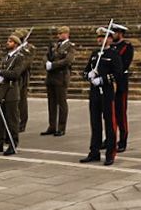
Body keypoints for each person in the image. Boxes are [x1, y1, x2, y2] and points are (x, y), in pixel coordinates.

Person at [81, 26, 121, 165]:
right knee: (95, 123)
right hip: (94, 93)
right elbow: (85, 72)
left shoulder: (114, 54)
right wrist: (89, 75)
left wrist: (102, 80)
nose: (99, 39)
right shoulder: (94, 54)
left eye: (102, 37)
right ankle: (94, 152)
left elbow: (118, 74)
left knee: (109, 123)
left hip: (107, 93)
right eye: (98, 37)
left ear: (110, 39)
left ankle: (110, 153)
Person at [0, 32, 31, 154]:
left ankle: (12, 143)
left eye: (10, 41)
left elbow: (16, 74)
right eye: (8, 41)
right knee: (1, 120)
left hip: (12, 91)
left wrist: (2, 73)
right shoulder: (7, 57)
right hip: (2, 91)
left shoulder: (19, 57)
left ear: (16, 44)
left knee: (12, 120)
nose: (8, 43)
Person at [42, 26, 74, 137]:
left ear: (66, 34)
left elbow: (67, 60)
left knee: (61, 103)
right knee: (51, 103)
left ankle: (61, 127)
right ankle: (52, 126)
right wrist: (46, 63)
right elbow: (46, 55)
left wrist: (53, 65)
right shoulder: (54, 45)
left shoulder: (70, 46)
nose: (58, 36)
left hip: (61, 77)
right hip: (51, 77)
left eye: (60, 34)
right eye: (58, 34)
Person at [111, 24, 135, 152]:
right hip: (109, 84)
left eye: (115, 32)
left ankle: (123, 140)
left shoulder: (127, 47)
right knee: (110, 114)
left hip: (120, 84)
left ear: (121, 33)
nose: (112, 34)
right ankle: (111, 138)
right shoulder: (109, 46)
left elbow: (124, 64)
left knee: (121, 113)